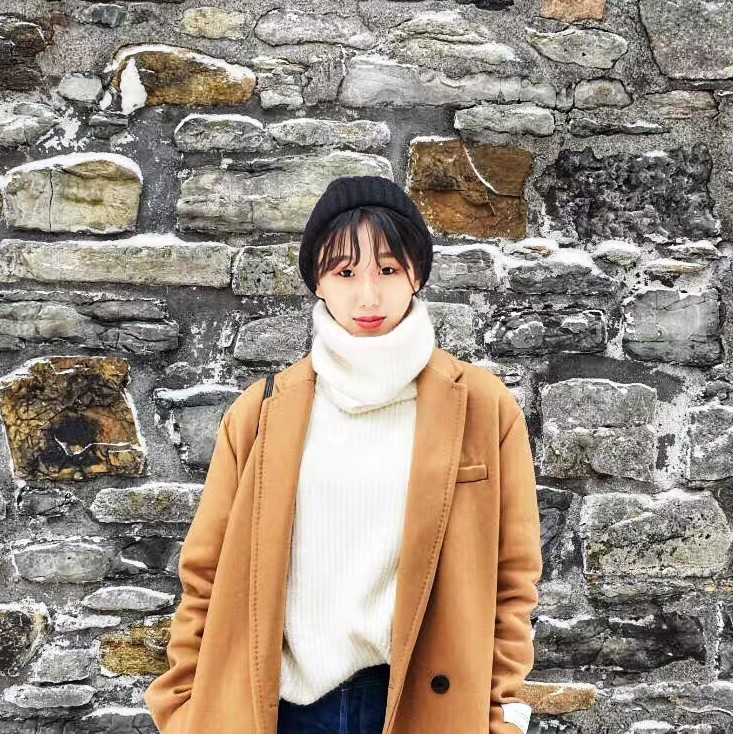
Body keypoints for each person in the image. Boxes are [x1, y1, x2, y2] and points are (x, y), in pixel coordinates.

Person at [143, 175, 543, 734]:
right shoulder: (261, 413)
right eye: (345, 272)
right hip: (280, 711)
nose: (368, 296)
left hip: (421, 707)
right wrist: (185, 707)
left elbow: (513, 580)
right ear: (317, 281)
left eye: (388, 269)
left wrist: (502, 716)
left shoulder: (482, 407)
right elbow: (204, 576)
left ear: (418, 274)